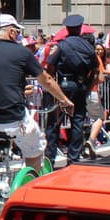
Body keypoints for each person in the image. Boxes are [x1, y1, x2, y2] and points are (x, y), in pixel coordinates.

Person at [0, 14, 69, 172]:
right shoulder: (22, 53)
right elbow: (46, 80)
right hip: (12, 118)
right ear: (11, 32)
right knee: (37, 146)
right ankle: (28, 184)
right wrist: (64, 100)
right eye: (17, 32)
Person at [42, 14, 97, 166]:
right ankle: (73, 158)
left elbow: (50, 65)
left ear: (67, 29)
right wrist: (87, 86)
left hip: (63, 86)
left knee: (54, 122)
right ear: (80, 28)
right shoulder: (88, 47)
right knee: (78, 121)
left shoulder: (62, 45)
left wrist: (52, 83)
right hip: (80, 86)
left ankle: (50, 159)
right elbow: (96, 70)